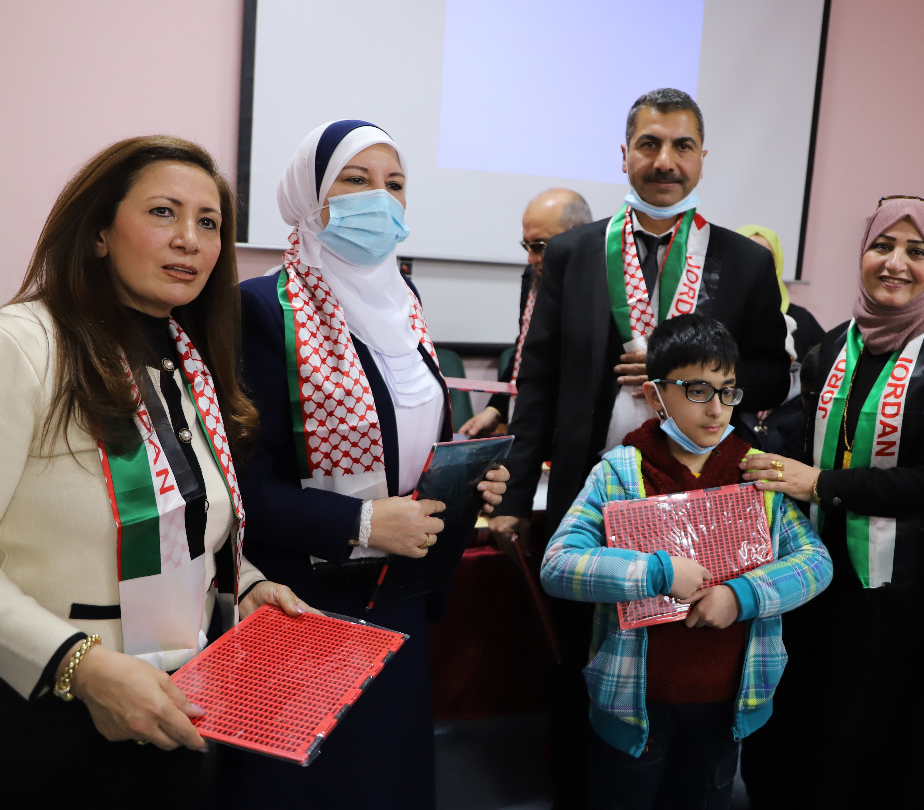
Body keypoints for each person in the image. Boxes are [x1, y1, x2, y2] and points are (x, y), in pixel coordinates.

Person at [0, 136, 307, 807]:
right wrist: (79, 665)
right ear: (99, 232)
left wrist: (242, 585)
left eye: (208, 222)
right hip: (40, 712)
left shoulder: (189, 364)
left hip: (178, 703)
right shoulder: (18, 345)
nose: (189, 238)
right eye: (163, 212)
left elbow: (182, 525)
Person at [488, 88, 790, 808]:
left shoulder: (746, 261)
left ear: (703, 158)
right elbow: (537, 383)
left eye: (682, 146)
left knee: (685, 659)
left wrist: (688, 370)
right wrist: (514, 494)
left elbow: (774, 375)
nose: (665, 161)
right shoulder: (572, 252)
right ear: (624, 155)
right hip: (594, 493)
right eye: (649, 144)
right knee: (582, 659)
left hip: (700, 499)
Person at [216, 120, 509, 810]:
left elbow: (414, 438)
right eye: (356, 179)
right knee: (310, 786)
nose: (380, 197)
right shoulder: (259, 308)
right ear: (309, 194)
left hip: (397, 589)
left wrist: (465, 482)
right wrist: (364, 521)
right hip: (302, 598)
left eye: (395, 184)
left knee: (387, 776)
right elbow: (242, 486)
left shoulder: (406, 302)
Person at [740, 197, 924, 808]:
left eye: (917, 251)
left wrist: (820, 484)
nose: (895, 263)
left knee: (888, 728)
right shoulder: (834, 346)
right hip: (824, 567)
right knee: (816, 711)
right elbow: (803, 441)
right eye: (882, 246)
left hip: (916, 583)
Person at [539, 313, 831, 810]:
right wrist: (655, 573)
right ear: (656, 396)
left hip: (728, 703)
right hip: (634, 704)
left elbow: (814, 562)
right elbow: (560, 565)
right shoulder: (619, 474)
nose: (716, 409)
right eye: (697, 390)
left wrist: (741, 596)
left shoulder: (754, 472)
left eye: (727, 391)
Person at [460, 188, 592, 438]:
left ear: (578, 235)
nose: (531, 258)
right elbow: (526, 349)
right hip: (529, 426)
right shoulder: (533, 277)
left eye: (541, 246)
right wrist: (495, 410)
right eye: (527, 246)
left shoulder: (607, 286)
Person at [733, 223, 825, 458]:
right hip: (729, 430)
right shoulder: (720, 312)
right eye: (746, 253)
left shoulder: (801, 319)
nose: (754, 263)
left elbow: (821, 374)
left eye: (764, 257)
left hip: (787, 441)